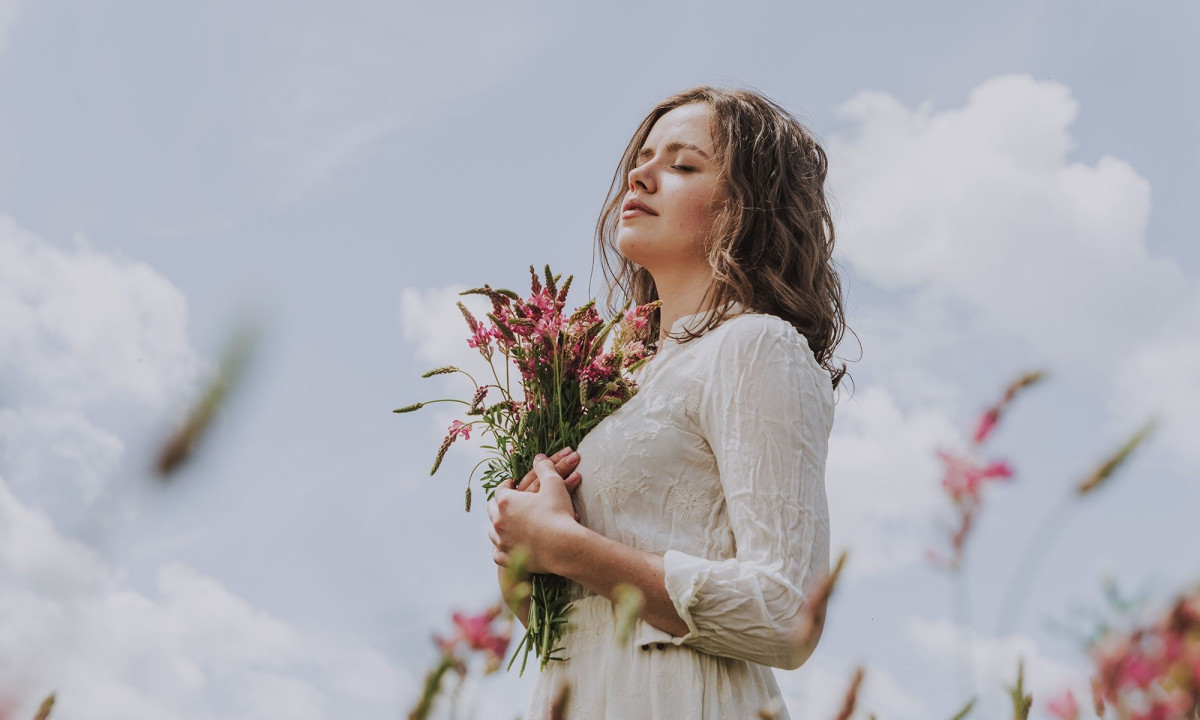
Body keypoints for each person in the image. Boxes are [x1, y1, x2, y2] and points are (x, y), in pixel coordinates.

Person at [486, 85, 853, 719]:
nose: (641, 173)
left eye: (683, 165)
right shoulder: (608, 389)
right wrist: (523, 560)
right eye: (643, 157)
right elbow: (569, 629)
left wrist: (566, 545)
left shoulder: (754, 345)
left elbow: (787, 614)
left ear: (749, 209)